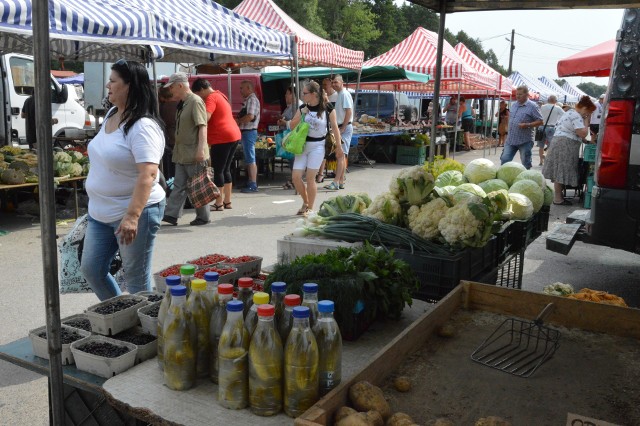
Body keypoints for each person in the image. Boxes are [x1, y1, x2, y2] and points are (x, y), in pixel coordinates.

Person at [80, 59, 165, 301]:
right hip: (100, 214)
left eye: (113, 80)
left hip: (133, 212)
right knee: (92, 270)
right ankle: (122, 314)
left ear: (129, 86)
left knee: (136, 280)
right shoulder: (111, 114)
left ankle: (146, 330)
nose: (108, 85)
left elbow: (148, 174)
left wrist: (132, 217)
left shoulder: (142, 126)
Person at [162, 72, 210, 226]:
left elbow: (202, 126)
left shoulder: (195, 101)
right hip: (182, 153)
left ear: (180, 85)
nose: (171, 91)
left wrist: (201, 149)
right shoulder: (183, 103)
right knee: (179, 185)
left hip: (194, 152)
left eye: (172, 87)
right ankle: (171, 215)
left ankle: (203, 216)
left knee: (197, 186)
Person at [288, 80, 341, 215]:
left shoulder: (327, 107)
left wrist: (339, 148)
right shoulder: (303, 108)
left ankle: (310, 208)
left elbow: (335, 128)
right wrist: (302, 115)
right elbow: (292, 126)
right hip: (302, 145)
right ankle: (306, 202)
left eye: (304, 93)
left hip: (318, 146)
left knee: (311, 178)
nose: (302, 96)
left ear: (313, 94)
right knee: (296, 177)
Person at [191, 78, 241, 211]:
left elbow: (206, 117)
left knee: (218, 170)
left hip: (222, 137)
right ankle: (227, 201)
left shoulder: (211, 98)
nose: (199, 97)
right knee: (226, 169)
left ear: (201, 90)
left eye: (198, 94)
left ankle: (218, 203)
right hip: (234, 134)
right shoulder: (221, 95)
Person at [542, 95, 596, 205]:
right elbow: (582, 133)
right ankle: (558, 198)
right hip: (565, 145)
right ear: (585, 108)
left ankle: (559, 197)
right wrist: (586, 122)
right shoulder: (576, 116)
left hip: (560, 142)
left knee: (559, 170)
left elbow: (573, 132)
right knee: (561, 171)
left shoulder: (569, 113)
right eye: (588, 113)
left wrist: (585, 141)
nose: (588, 115)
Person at [499, 85, 544, 170]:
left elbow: (541, 121)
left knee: (525, 163)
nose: (518, 96)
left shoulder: (533, 106)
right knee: (505, 159)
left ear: (527, 95)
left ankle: (525, 179)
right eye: (517, 94)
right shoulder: (514, 105)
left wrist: (527, 125)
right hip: (511, 139)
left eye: (520, 94)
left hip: (525, 140)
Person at [324, 74, 352, 191]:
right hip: (341, 127)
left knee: (340, 155)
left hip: (343, 127)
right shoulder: (340, 94)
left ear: (342, 82)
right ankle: (340, 181)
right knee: (341, 155)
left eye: (336, 82)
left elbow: (349, 111)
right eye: (333, 82)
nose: (334, 84)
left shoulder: (344, 94)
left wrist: (344, 127)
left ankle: (336, 182)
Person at [277, 86, 302, 189]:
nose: (285, 96)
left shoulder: (298, 106)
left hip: (294, 136)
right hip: (289, 136)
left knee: (294, 159)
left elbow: (295, 122)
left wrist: (284, 122)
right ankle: (294, 179)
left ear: (293, 94)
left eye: (287, 93)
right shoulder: (290, 106)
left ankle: (295, 180)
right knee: (292, 159)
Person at [237, 80, 261, 193]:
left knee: (250, 158)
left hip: (249, 131)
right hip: (247, 132)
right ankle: (250, 181)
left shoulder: (252, 100)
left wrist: (238, 121)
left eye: (242, 88)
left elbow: (250, 116)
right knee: (248, 158)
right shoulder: (249, 100)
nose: (240, 90)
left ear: (248, 88)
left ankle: (253, 184)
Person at [316, 77, 338, 182]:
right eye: (323, 84)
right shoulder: (321, 99)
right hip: (323, 129)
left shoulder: (336, 96)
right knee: (323, 152)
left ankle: (323, 174)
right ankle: (319, 174)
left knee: (326, 152)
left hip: (330, 128)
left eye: (326, 84)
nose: (324, 87)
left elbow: (334, 115)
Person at [158, 86, 178, 180]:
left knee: (170, 168)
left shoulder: (164, 107)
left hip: (170, 140)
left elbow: (163, 123)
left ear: (162, 96)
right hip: (178, 139)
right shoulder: (179, 104)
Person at [538, 95, 565, 166]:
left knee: (541, 146)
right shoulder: (557, 108)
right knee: (551, 145)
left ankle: (541, 161)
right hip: (551, 127)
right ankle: (547, 160)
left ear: (548, 100)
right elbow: (564, 116)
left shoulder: (542, 107)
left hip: (541, 127)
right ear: (555, 101)